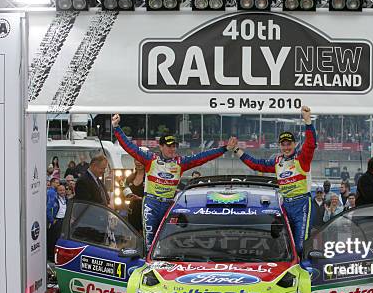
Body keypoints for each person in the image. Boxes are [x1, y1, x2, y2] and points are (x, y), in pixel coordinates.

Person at [112, 113, 235, 248]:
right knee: (149, 242)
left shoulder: (180, 162)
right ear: (161, 147)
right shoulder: (150, 159)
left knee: (166, 241)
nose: (172, 149)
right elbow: (130, 148)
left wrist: (224, 149)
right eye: (169, 146)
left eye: (174, 146)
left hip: (168, 205)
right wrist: (116, 127)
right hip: (151, 204)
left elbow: (203, 157)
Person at [234, 106, 316, 256]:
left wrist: (308, 121)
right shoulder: (277, 162)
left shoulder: (301, 159)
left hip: (302, 204)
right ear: (279, 145)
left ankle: (306, 273)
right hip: (285, 205)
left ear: (295, 144)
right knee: (283, 246)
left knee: (300, 246)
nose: (286, 147)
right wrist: (237, 151)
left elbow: (310, 145)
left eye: (289, 144)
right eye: (283, 144)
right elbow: (256, 164)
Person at [124, 158, 145, 232]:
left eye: (140, 160)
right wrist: (128, 198)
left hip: (145, 213)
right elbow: (125, 195)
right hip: (132, 213)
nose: (138, 162)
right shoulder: (130, 178)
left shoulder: (150, 178)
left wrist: (141, 199)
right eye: (136, 160)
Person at [46, 184, 67, 261]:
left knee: (61, 240)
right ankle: (51, 256)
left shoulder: (66, 199)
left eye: (63, 190)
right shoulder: (54, 200)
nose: (62, 192)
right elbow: (47, 210)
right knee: (54, 240)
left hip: (63, 221)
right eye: (60, 190)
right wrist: (52, 220)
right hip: (57, 221)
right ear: (57, 191)